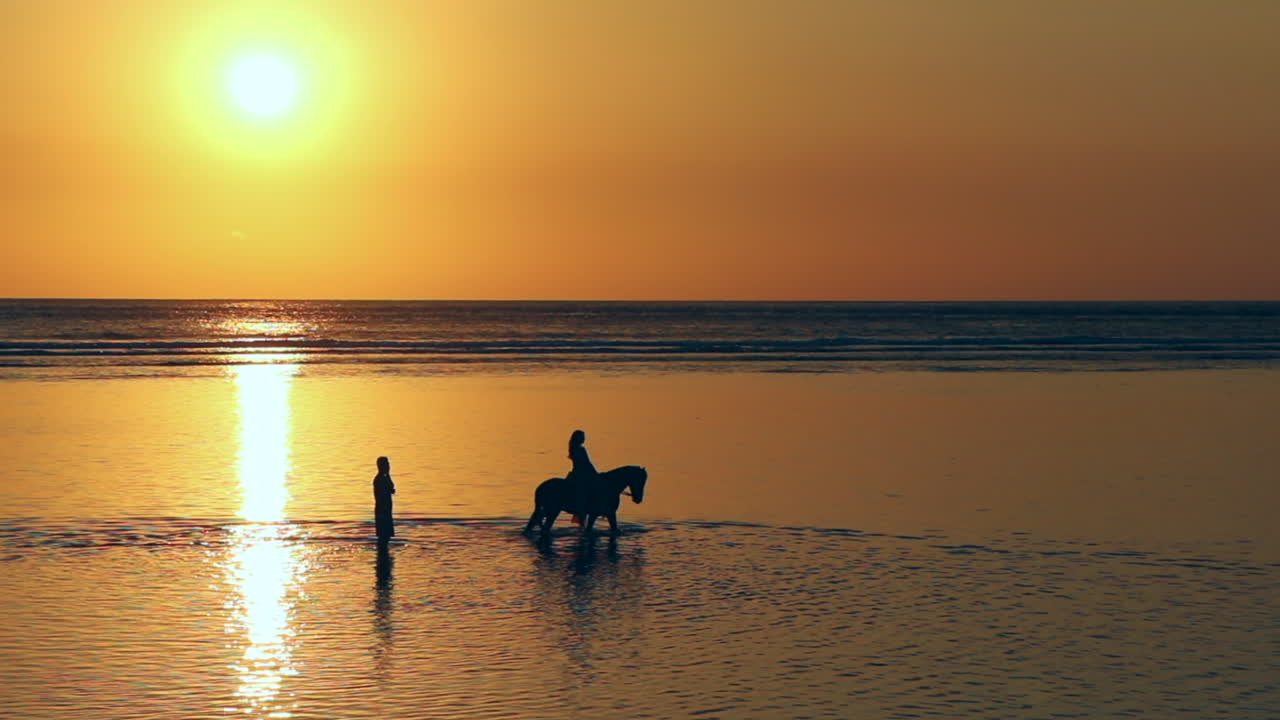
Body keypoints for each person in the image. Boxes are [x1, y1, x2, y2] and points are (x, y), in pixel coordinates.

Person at [565, 429, 598, 525]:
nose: (584, 439)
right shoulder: (581, 449)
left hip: (575, 474)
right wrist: (595, 474)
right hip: (581, 476)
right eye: (583, 437)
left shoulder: (573, 448)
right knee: (592, 492)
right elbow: (587, 464)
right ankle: (590, 508)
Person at [373, 456, 395, 545]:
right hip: (382, 511)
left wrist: (388, 474)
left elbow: (391, 486)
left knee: (386, 538)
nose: (389, 467)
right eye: (386, 465)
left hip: (386, 511)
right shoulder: (379, 479)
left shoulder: (385, 477)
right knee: (383, 537)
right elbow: (388, 489)